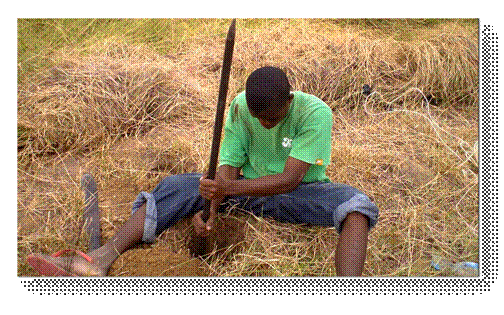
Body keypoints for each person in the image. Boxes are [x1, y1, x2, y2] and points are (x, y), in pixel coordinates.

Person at [26, 66, 379, 277]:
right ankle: (101, 258)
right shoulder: (242, 107)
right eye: (258, 119)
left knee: (356, 206)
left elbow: (290, 180)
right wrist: (211, 206)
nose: (263, 124)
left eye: (271, 118)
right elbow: (227, 166)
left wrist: (226, 192)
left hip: (296, 195)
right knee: (176, 187)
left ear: (289, 100)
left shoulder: (315, 114)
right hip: (244, 191)